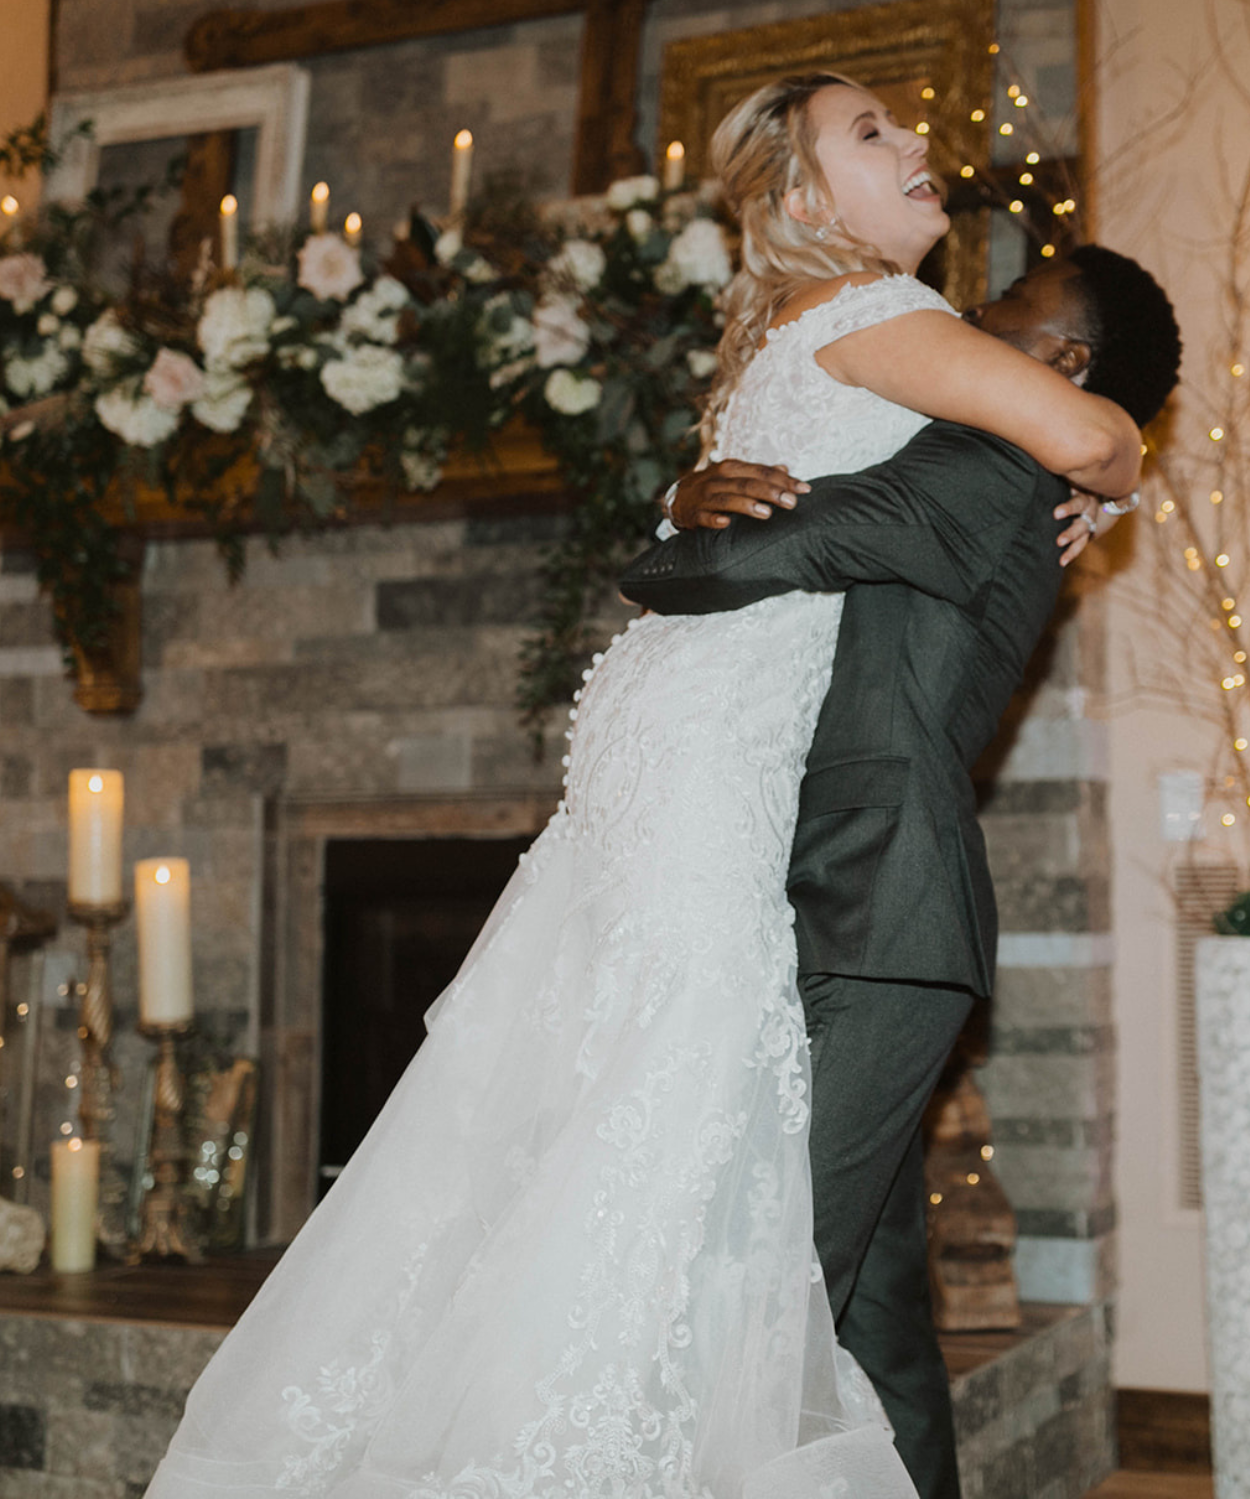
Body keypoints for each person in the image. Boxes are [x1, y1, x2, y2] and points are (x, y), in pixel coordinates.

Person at [144, 75, 1143, 1499]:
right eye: (875, 135)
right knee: (690, 1162)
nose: (919, 146)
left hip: (662, 735)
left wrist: (677, 504)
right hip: (715, 754)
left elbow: (748, 521)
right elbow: (1089, 438)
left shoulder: (788, 341)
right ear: (803, 201)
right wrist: (1114, 468)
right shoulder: (878, 318)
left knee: (641, 1120)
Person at [620, 244, 1182, 1499]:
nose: (964, 318)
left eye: (1000, 311)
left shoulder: (984, 465)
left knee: (759, 1286)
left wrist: (668, 518)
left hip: (879, 918)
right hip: (865, 910)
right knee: (868, 1312)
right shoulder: (1015, 467)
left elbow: (719, 562)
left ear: (1062, 365)